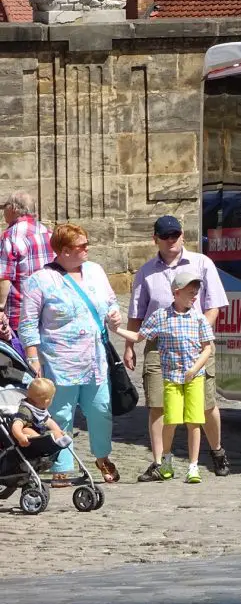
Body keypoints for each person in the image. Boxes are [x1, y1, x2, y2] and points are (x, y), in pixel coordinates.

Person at [126, 215, 231, 480]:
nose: (171, 240)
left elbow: (213, 305)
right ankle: (161, 463)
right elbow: (137, 313)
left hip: (196, 343)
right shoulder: (146, 271)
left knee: (205, 404)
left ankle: (217, 451)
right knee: (158, 404)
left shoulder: (202, 263)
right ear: (156, 239)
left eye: (175, 235)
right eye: (165, 237)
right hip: (158, 342)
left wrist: (198, 333)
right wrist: (129, 346)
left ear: (182, 235)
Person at [18, 222, 122, 486]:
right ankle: (60, 465)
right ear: (64, 250)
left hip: (95, 359)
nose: (87, 249)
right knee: (61, 415)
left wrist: (114, 312)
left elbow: (110, 300)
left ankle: (102, 455)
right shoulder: (40, 280)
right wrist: (32, 357)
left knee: (100, 410)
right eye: (81, 246)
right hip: (59, 360)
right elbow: (28, 323)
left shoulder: (95, 271)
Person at [110, 272, 214, 484]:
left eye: (196, 293)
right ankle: (166, 461)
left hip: (194, 377)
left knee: (195, 421)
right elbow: (140, 336)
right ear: (176, 292)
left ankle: (193, 466)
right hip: (172, 377)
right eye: (190, 292)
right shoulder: (160, 316)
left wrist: (195, 368)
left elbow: (207, 348)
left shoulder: (198, 318)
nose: (194, 296)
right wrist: (117, 330)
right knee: (172, 420)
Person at [0, 191, 54, 359]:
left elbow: (4, 276)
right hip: (48, 306)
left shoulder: (10, 235)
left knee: (23, 359)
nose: (3, 212)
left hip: (20, 310)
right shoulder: (47, 231)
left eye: (5, 207)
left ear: (14, 208)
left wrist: (0, 307)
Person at [9, 377, 72, 461]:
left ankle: (59, 440)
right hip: (27, 441)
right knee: (26, 430)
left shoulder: (41, 409)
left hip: (41, 434)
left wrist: (59, 431)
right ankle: (43, 441)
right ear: (47, 401)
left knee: (55, 432)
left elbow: (49, 421)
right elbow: (16, 425)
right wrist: (20, 437)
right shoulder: (25, 410)